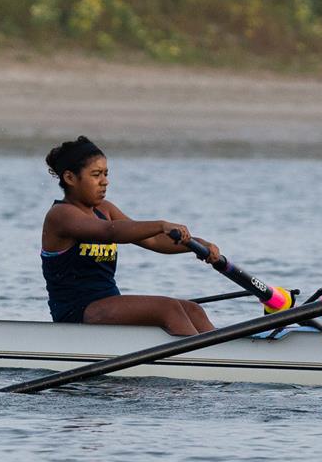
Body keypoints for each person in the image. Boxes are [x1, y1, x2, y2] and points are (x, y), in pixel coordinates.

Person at [40, 136, 223, 335]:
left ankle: (228, 358)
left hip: (108, 303)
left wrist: (200, 244)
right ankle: (201, 361)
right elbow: (109, 232)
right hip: (78, 311)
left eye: (106, 174)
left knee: (193, 310)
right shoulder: (60, 215)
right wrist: (161, 224)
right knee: (167, 309)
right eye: (96, 174)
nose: (105, 182)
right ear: (70, 178)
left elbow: (154, 240)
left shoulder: (105, 210)